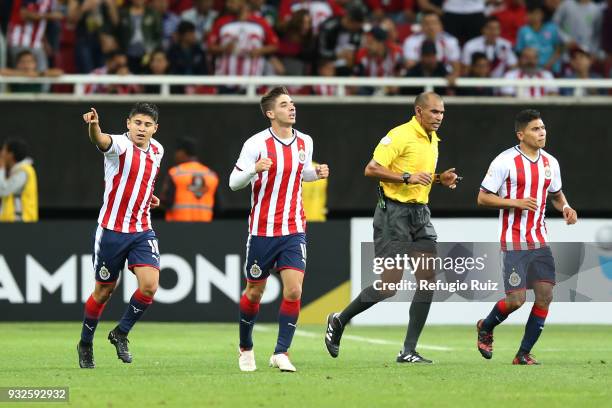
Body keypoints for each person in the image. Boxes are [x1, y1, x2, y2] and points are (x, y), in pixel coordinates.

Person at [325, 92, 459, 364]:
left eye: (442, 113)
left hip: (420, 214)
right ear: (419, 111)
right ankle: (339, 320)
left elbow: (417, 177)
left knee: (427, 281)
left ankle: (408, 350)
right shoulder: (399, 135)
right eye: (434, 112)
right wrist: (407, 177)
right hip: (393, 214)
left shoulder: (432, 139)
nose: (439, 118)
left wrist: (437, 179)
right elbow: (371, 169)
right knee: (389, 285)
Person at [229, 86, 329, 372]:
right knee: (254, 292)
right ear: (271, 113)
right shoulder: (255, 144)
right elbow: (233, 183)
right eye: (285, 105)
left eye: (292, 103)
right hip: (262, 230)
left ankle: (281, 352)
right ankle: (245, 348)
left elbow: (300, 173)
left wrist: (315, 174)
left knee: (294, 290)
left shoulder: (305, 142)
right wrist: (254, 169)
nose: (292, 108)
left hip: (293, 228)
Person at [476, 109, 578, 365]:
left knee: (545, 296)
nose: (542, 132)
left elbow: (556, 194)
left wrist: (565, 207)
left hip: (540, 240)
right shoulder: (505, 161)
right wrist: (516, 202)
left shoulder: (550, 163)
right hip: (514, 240)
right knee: (516, 300)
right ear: (521, 134)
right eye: (535, 129)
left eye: (543, 127)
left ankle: (522, 354)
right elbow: (483, 197)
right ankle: (486, 327)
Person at [77, 103, 164, 369]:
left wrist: (147, 196)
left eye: (147, 125)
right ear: (128, 123)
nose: (142, 128)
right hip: (112, 230)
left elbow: (142, 179)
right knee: (104, 292)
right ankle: (85, 342)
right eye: (137, 123)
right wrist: (94, 125)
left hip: (141, 229)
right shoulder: (118, 145)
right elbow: (100, 140)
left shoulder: (158, 150)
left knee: (150, 285)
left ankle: (121, 333)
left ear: (155, 129)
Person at [162, 137, 219, 222]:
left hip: (177, 228)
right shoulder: (211, 175)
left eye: (177, 152)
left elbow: (166, 201)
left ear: (182, 152)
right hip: (205, 228)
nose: (175, 155)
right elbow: (219, 207)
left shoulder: (175, 173)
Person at [0, 139, 38, 222]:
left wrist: (1, 168)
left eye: (3, 150)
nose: (1, 154)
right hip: (10, 223)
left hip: (21, 224)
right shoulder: (15, 171)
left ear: (11, 154)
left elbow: (2, 190)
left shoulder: (24, 172)